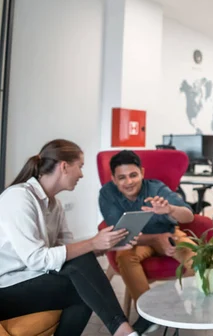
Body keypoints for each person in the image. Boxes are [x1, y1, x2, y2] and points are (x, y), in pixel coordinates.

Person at [0, 139, 140, 336]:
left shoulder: (54, 205)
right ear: (64, 166)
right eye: (80, 166)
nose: (82, 174)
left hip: (31, 277)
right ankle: (122, 329)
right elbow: (36, 259)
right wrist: (92, 242)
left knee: (84, 283)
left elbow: (71, 249)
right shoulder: (18, 198)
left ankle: (121, 330)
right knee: (85, 288)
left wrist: (107, 245)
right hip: (5, 288)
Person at [99, 149, 206, 334]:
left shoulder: (156, 188)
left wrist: (170, 210)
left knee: (197, 257)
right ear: (114, 179)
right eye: (122, 177)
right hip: (135, 242)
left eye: (133, 175)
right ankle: (147, 313)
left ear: (142, 172)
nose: (129, 182)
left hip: (170, 234)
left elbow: (188, 216)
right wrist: (156, 239)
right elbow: (121, 235)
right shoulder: (107, 194)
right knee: (124, 257)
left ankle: (199, 305)